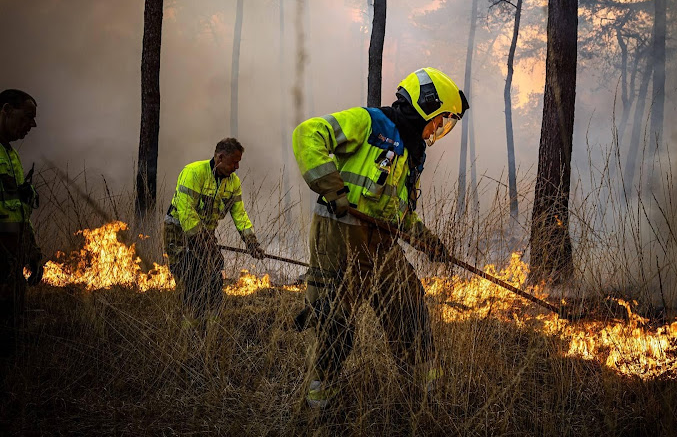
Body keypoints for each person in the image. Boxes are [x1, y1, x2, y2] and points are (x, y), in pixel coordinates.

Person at [292, 67, 469, 408]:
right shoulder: (370, 122)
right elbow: (307, 134)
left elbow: (398, 213)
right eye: (440, 120)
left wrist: (427, 240)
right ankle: (317, 400)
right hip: (339, 237)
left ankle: (428, 388)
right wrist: (332, 187)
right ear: (425, 105)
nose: (438, 129)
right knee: (335, 321)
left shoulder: (412, 153)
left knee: (409, 301)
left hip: (380, 244)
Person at [163, 138, 267, 325]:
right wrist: (201, 241)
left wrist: (251, 242)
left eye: (239, 162)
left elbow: (240, 214)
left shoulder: (233, 183)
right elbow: (186, 211)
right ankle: (188, 323)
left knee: (213, 276)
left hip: (206, 235)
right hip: (178, 232)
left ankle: (210, 324)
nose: (236, 167)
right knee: (189, 275)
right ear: (220, 157)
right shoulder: (193, 172)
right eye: (234, 162)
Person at [0, 89, 43, 358]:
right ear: (6, 109)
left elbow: (16, 213)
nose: (32, 125)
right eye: (27, 117)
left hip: (9, 259)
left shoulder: (11, 155)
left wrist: (32, 253)